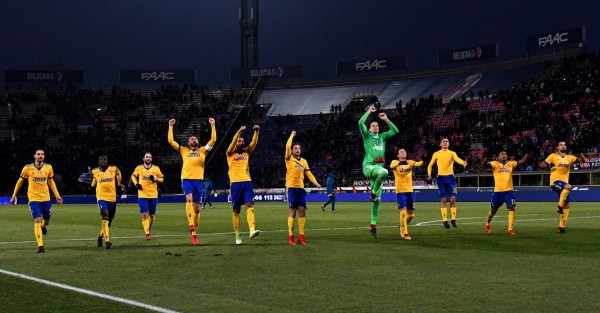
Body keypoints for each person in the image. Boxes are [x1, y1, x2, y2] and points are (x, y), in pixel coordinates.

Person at [168, 117, 216, 245]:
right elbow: (171, 141)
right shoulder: (184, 150)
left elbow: (213, 140)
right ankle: (191, 225)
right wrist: (170, 126)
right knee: (188, 199)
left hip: (198, 181)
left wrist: (212, 125)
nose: (193, 139)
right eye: (191, 139)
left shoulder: (202, 151)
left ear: (197, 141)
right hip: (187, 179)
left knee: (197, 209)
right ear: (188, 143)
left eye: (195, 138)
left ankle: (194, 233)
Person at [10, 148, 63, 253]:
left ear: (44, 156)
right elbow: (20, 182)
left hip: (46, 199)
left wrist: (57, 195)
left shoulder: (48, 167)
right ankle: (40, 246)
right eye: (38, 154)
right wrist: (14, 195)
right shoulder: (27, 168)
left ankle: (43, 226)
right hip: (34, 199)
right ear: (34, 156)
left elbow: (51, 182)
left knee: (46, 221)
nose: (40, 156)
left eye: (42, 154)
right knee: (37, 220)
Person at [359, 105, 399, 238]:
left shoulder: (382, 137)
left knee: (377, 201)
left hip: (378, 169)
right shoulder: (367, 136)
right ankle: (373, 191)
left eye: (377, 125)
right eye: (373, 125)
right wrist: (368, 112)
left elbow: (395, 130)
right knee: (384, 172)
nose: (376, 126)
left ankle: (373, 225)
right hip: (369, 167)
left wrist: (386, 120)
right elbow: (360, 122)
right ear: (369, 129)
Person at [539, 141, 587, 233]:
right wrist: (548, 165)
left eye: (564, 145)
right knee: (568, 186)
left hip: (564, 184)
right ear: (557, 148)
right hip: (555, 182)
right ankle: (559, 206)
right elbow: (542, 165)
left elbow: (583, 161)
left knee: (567, 205)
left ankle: (561, 227)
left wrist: (580, 151)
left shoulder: (570, 157)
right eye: (561, 145)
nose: (563, 146)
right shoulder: (553, 156)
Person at [226, 125, 261, 245]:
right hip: (235, 184)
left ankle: (252, 230)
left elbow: (254, 143)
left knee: (249, 205)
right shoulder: (230, 153)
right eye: (239, 141)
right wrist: (239, 132)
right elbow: (232, 143)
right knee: (236, 210)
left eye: (242, 141)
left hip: (247, 182)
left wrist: (256, 131)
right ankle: (237, 236)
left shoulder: (246, 152)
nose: (241, 142)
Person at [285, 130, 321, 245]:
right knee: (292, 212)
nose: (297, 150)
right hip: (291, 188)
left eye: (299, 148)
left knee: (302, 211)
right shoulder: (288, 158)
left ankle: (301, 237)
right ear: (292, 150)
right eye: (295, 148)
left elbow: (309, 174)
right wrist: (291, 135)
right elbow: (287, 146)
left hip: (301, 189)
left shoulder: (304, 161)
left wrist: (316, 183)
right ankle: (291, 237)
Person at [483, 151, 529, 235]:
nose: (504, 155)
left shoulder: (510, 164)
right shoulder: (495, 164)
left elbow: (522, 161)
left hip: (509, 191)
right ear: (498, 156)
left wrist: (528, 153)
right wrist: (486, 156)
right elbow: (484, 164)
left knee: (511, 207)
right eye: (502, 154)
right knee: (493, 211)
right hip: (497, 192)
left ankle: (510, 229)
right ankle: (487, 223)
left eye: (505, 154)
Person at [427, 138, 467, 229]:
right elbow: (430, 165)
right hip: (441, 179)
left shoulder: (452, 153)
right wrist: (429, 175)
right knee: (443, 200)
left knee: (453, 199)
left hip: (451, 179)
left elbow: (457, 159)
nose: (445, 143)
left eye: (447, 141)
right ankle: (445, 221)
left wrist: (463, 163)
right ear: (440, 144)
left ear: (449, 144)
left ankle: (453, 219)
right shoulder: (436, 154)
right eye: (443, 141)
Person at [90, 155, 124, 249]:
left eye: (105, 159)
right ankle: (107, 241)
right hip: (101, 198)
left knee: (109, 221)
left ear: (107, 161)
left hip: (112, 198)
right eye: (101, 159)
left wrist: (120, 187)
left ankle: (100, 235)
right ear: (98, 162)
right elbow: (93, 183)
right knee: (105, 215)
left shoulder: (114, 169)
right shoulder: (94, 171)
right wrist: (90, 188)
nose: (103, 161)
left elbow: (119, 182)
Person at [390, 148, 424, 240]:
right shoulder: (395, 162)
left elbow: (418, 164)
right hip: (400, 191)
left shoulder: (410, 162)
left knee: (412, 214)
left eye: (404, 151)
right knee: (403, 211)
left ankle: (402, 225)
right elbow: (391, 166)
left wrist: (423, 160)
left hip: (410, 190)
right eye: (401, 152)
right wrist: (400, 163)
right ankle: (405, 233)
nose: (403, 152)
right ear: (398, 155)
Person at [131, 152, 164, 240]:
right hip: (142, 195)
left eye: (150, 157)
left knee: (152, 216)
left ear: (151, 159)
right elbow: (133, 177)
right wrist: (136, 184)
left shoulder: (156, 168)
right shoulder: (139, 168)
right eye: (147, 157)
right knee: (144, 214)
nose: (148, 158)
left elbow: (162, 178)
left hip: (153, 195)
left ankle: (147, 227)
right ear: (144, 159)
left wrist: (156, 178)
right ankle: (147, 233)